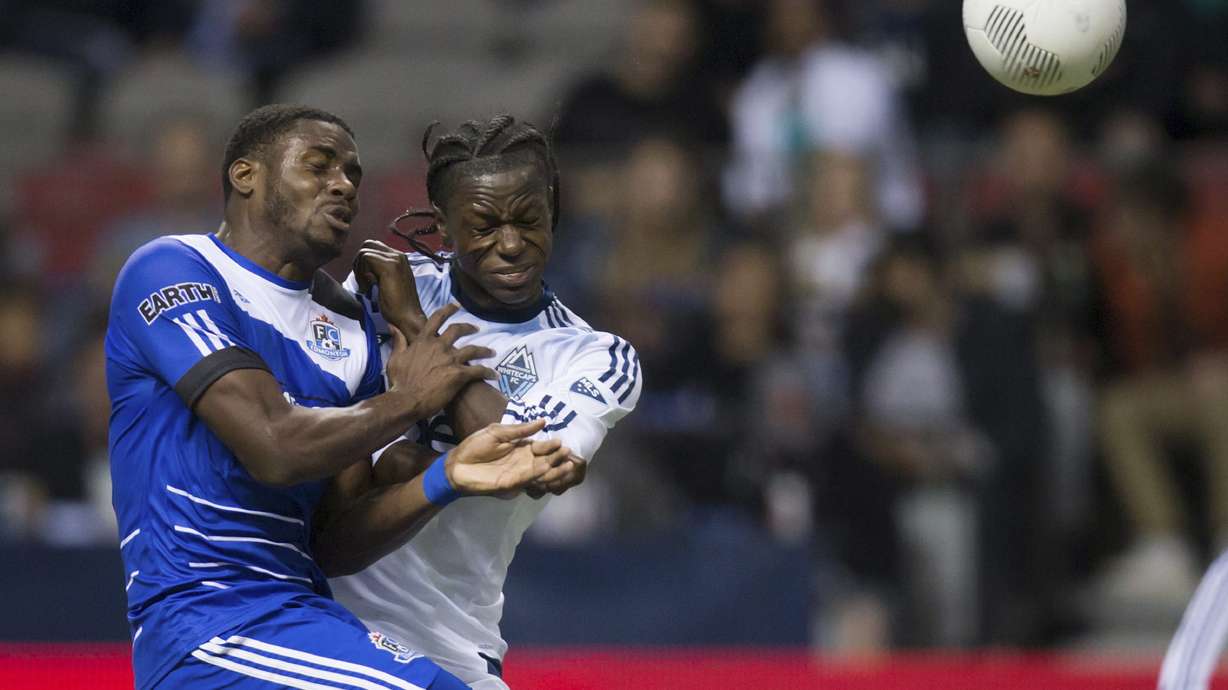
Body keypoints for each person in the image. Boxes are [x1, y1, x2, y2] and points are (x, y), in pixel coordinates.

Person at [106, 104, 571, 690]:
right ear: (245, 176)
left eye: (353, 173)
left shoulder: (348, 325)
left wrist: (444, 475)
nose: (343, 184)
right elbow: (274, 445)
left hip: (302, 611)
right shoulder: (176, 270)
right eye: (318, 165)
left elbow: (334, 542)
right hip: (208, 620)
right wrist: (411, 400)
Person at [324, 114, 642, 689]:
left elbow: (520, 463)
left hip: (444, 642)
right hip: (323, 619)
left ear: (554, 214)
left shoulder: (594, 356)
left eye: (529, 220)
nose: (512, 244)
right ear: (443, 228)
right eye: (484, 226)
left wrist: (412, 325)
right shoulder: (382, 283)